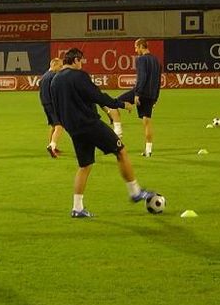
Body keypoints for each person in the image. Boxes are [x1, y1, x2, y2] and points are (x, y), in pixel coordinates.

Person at [50, 47, 163, 218]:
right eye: (81, 61)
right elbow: (98, 96)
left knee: (84, 165)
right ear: (75, 60)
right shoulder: (79, 76)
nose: (82, 65)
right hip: (90, 124)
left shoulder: (55, 80)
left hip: (74, 129)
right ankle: (135, 191)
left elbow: (56, 108)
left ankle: (77, 208)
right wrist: (121, 104)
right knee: (121, 151)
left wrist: (66, 125)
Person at [106, 38, 162, 157]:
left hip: (141, 93)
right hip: (151, 95)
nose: (135, 50)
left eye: (136, 47)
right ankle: (148, 150)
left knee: (113, 104)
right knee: (147, 121)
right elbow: (158, 81)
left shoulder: (141, 59)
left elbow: (142, 77)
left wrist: (137, 94)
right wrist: (155, 98)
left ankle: (118, 132)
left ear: (142, 46)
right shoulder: (157, 61)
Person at [39, 57, 64, 157]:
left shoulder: (44, 76)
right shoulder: (54, 76)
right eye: (60, 66)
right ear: (54, 65)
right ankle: (52, 147)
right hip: (53, 104)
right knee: (60, 126)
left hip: (45, 103)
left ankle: (51, 144)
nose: (61, 68)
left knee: (53, 125)